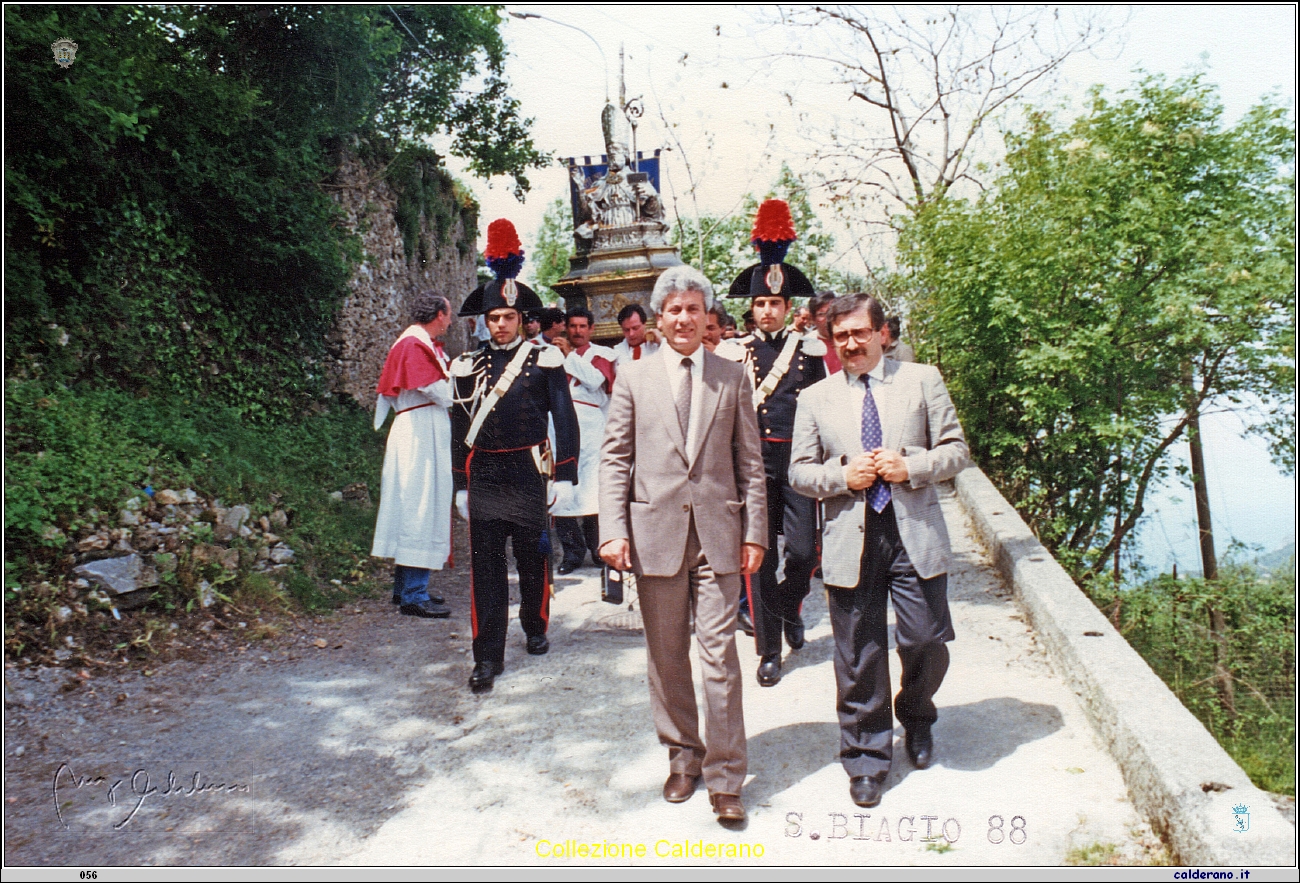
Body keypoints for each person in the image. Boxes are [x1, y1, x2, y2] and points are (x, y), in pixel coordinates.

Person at [598, 264, 767, 824]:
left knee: (720, 659)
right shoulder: (633, 377)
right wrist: (614, 531)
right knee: (667, 656)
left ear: (706, 317)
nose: (684, 319)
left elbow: (751, 463)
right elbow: (616, 458)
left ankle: (726, 778)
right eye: (674, 310)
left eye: (693, 309)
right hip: (655, 537)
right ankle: (683, 757)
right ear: (657, 318)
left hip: (718, 539)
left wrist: (755, 533)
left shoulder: (731, 375)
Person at [789, 293, 969, 809]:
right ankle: (866, 756)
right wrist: (841, 476)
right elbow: (799, 472)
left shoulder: (922, 380)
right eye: (840, 336)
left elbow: (956, 450)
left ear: (881, 334)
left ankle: (916, 714)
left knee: (926, 638)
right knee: (858, 652)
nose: (851, 344)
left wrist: (909, 466)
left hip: (913, 531)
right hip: (852, 534)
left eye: (859, 333)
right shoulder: (814, 398)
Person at [450, 220, 581, 693]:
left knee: (532, 559)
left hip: (528, 473)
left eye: (508, 316)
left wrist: (564, 475)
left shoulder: (545, 360)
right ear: (484, 321)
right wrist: (460, 485)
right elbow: (459, 431)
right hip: (485, 474)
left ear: (521, 318)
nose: (500, 324)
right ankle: (486, 657)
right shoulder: (465, 367)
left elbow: (564, 419)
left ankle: (535, 624)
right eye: (493, 317)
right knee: (484, 572)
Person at [723, 199, 827, 688]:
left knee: (804, 553)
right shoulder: (732, 353)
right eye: (760, 304)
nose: (767, 311)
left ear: (789, 308)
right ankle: (768, 649)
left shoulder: (807, 351)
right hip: (751, 465)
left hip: (798, 462)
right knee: (757, 557)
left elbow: (825, 407)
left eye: (776, 304)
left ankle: (790, 607)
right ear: (751, 307)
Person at [371, 294, 455, 618]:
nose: (449, 322)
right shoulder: (414, 345)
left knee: (414, 507)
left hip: (419, 427)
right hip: (420, 432)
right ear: (438, 314)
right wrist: (466, 392)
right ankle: (413, 593)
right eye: (447, 316)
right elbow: (436, 389)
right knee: (420, 507)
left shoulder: (415, 343)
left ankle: (406, 588)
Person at [552, 306, 616, 574]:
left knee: (592, 490)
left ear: (591, 329)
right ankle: (571, 552)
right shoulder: (550, 354)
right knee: (563, 487)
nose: (577, 331)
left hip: (590, 426)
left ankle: (598, 549)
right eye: (573, 326)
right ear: (566, 327)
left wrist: (569, 356)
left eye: (582, 326)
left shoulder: (602, 354)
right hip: (558, 424)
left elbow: (595, 380)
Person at [808, 290, 842, 375]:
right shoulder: (807, 345)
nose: (828, 319)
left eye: (831, 313)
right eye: (821, 314)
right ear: (812, 318)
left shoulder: (848, 340)